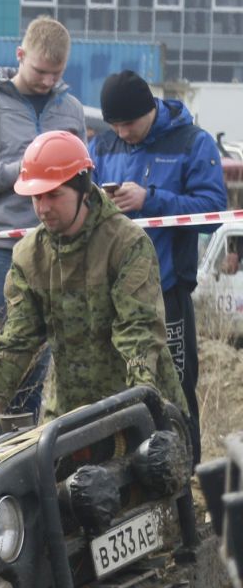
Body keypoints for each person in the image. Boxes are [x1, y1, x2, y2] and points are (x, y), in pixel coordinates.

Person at [0, 131, 187, 420]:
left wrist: (142, 402)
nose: (43, 207)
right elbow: (17, 339)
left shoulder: (125, 243)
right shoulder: (29, 256)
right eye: (36, 196)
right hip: (72, 411)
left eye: (54, 195)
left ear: (84, 191)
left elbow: (139, 331)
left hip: (140, 404)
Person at [0, 16, 87, 417]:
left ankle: (30, 440)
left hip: (63, 248)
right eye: (40, 71)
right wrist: (23, 170)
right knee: (17, 352)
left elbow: (82, 175)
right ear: (20, 56)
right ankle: (12, 441)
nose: (46, 81)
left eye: (55, 74)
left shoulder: (71, 109)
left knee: (56, 352)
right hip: (2, 247)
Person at [90, 70, 228, 449]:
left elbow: (214, 212)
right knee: (114, 387)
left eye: (128, 123)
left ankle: (186, 473)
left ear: (149, 110)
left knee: (175, 387)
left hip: (167, 289)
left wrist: (150, 199)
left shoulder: (192, 143)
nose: (122, 132)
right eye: (113, 124)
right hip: (111, 290)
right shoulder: (101, 147)